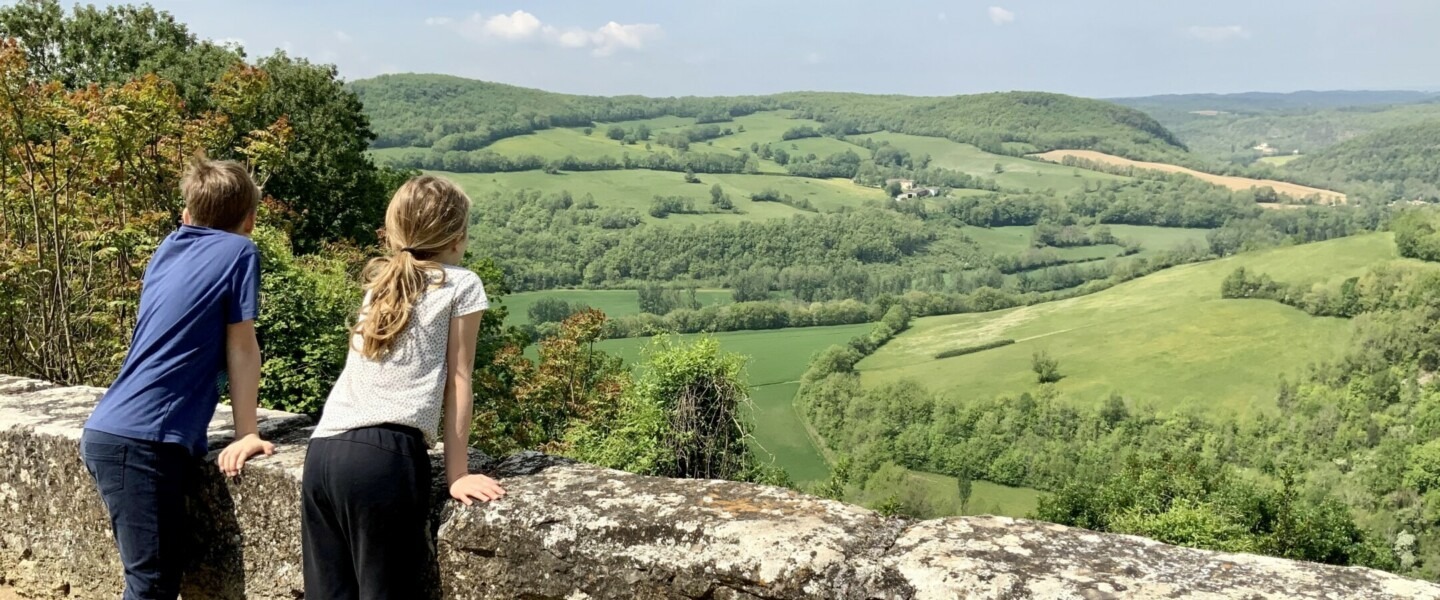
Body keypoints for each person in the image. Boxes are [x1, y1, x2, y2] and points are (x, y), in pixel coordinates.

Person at [303, 175, 506, 599]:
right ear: (457, 237)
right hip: (384, 456)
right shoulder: (461, 283)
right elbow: (459, 379)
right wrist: (458, 474)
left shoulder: (381, 282)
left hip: (323, 453)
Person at [81, 159, 276, 600]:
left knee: (153, 579)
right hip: (143, 441)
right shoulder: (240, 251)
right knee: (151, 586)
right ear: (250, 219)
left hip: (118, 430)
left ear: (186, 216)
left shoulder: (168, 247)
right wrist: (247, 432)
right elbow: (242, 346)